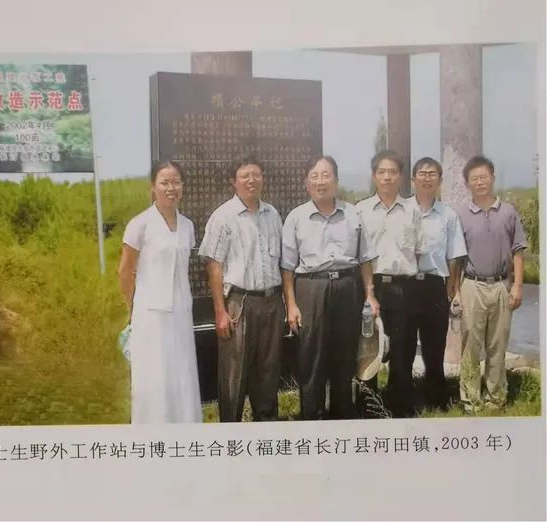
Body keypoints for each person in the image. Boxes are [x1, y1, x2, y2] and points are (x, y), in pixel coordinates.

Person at [281, 155, 379, 420]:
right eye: (314, 176)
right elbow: (287, 267)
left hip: (347, 287)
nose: (320, 181)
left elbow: (365, 259)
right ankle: (311, 417)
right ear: (307, 183)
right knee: (311, 357)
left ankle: (342, 415)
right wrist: (291, 305)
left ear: (336, 181)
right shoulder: (296, 217)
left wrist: (370, 295)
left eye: (326, 175)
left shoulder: (353, 214)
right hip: (311, 288)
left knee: (344, 355)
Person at [198, 156, 284, 422]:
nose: (251, 180)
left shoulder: (272, 214)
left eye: (256, 174)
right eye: (245, 176)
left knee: (268, 372)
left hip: (271, 302)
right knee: (233, 374)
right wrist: (220, 312)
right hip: (239, 303)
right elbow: (214, 266)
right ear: (233, 182)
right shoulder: (223, 216)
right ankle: (230, 432)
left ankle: (266, 430)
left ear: (263, 179)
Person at [117, 160, 202, 424]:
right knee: (154, 375)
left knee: (182, 372)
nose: (171, 188)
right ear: (152, 187)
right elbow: (125, 272)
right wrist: (133, 307)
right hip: (150, 315)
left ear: (183, 186)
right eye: (164, 183)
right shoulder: (139, 224)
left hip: (181, 311)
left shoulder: (187, 226)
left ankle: (186, 427)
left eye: (176, 182)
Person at [356, 150, 426, 418]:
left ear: (401, 176)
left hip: (403, 287)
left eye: (392, 172)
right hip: (370, 286)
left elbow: (418, 250)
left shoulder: (412, 210)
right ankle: (368, 407)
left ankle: (400, 406)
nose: (387, 177)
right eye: (382, 172)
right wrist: (368, 291)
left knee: (402, 348)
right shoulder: (361, 210)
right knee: (368, 348)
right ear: (374, 176)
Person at [455, 155, 527, 413]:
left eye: (483, 177)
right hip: (472, 285)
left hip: (501, 286)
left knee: (498, 344)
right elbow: (456, 258)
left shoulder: (508, 212)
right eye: (474, 178)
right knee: (471, 345)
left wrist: (517, 286)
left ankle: (495, 398)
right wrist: (456, 292)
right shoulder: (461, 215)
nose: (480, 182)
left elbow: (518, 251)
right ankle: (470, 399)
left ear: (492, 178)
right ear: (468, 183)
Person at [409, 157, 467, 410]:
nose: (427, 178)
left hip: (434, 286)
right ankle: (403, 401)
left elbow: (454, 256)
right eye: (422, 173)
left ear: (440, 181)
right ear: (413, 179)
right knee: (403, 348)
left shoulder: (448, 215)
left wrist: (451, 289)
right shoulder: (401, 210)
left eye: (432, 174)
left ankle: (436, 402)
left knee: (434, 348)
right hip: (405, 285)